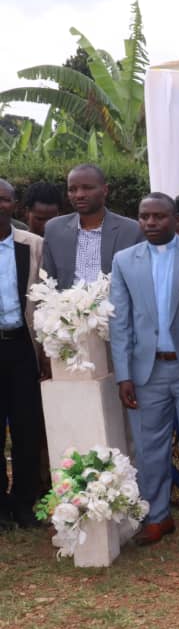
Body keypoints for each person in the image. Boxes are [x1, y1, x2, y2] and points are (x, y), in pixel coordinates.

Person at [109, 193, 179, 546]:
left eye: (159, 216)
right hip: (146, 371)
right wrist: (124, 374)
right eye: (144, 216)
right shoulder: (124, 260)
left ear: (176, 219)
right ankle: (157, 516)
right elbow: (120, 321)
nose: (151, 223)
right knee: (148, 447)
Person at [0, 179, 44, 531]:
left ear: (14, 204)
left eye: (3, 199)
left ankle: (25, 502)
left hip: (23, 347)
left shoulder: (32, 245)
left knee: (28, 428)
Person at [42, 164, 141, 290]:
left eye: (87, 188)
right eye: (72, 189)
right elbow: (48, 280)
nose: (79, 195)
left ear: (105, 190)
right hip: (65, 302)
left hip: (113, 302)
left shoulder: (131, 231)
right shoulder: (54, 229)